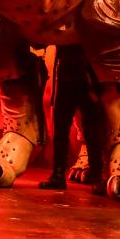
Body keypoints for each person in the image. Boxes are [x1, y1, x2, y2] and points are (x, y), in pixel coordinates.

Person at [38, 45, 106, 193]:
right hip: (74, 77)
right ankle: (64, 175)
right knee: (67, 130)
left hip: (84, 78)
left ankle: (90, 176)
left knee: (90, 131)